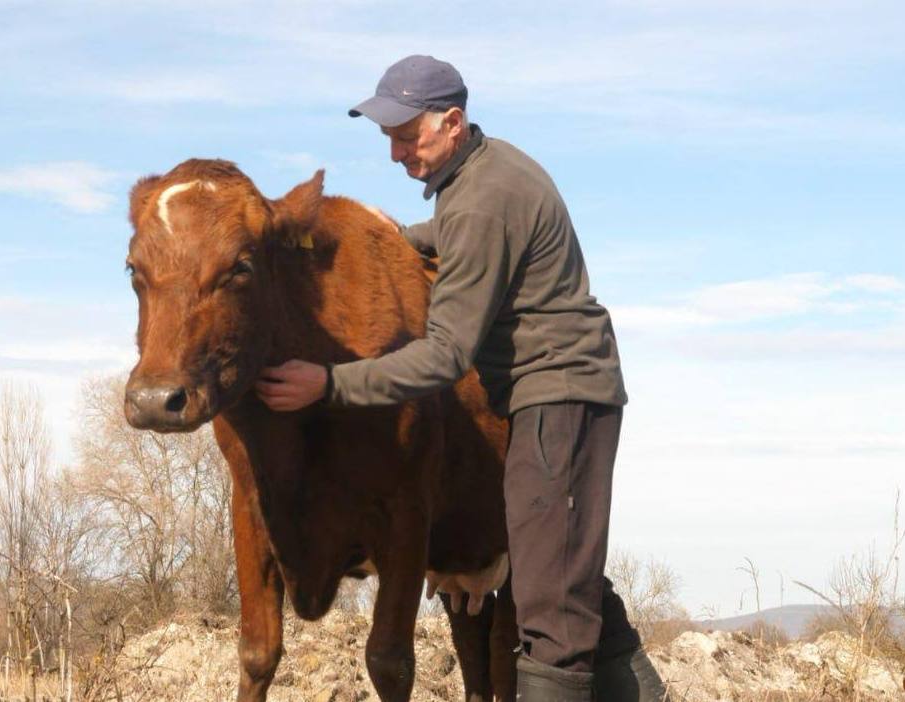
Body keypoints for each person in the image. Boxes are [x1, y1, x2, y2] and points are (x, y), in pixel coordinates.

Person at [255, 54, 668, 702]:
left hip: (559, 393)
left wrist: (329, 385)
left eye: (406, 134)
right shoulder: (486, 171)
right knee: (562, 570)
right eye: (386, 136)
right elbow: (464, 233)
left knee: (548, 603)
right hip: (556, 391)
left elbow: (444, 356)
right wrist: (403, 238)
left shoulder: (481, 198)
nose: (394, 152)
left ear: (452, 121)